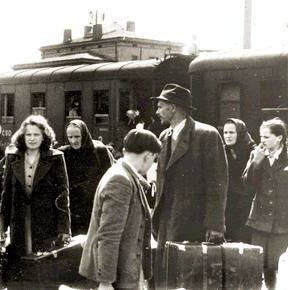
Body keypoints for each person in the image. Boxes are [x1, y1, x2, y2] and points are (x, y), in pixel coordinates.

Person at [151, 84, 228, 288]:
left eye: (160, 106)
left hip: (195, 223)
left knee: (190, 279)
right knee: (166, 276)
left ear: (173, 107)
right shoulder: (164, 137)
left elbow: (217, 184)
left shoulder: (206, 135)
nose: (157, 111)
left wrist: (215, 226)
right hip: (167, 223)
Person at [79, 129, 161, 290]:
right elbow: (109, 235)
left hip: (123, 272)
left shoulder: (122, 175)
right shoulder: (121, 180)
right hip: (118, 277)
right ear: (148, 156)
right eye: (154, 159)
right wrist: (105, 281)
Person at [0, 115, 71, 284]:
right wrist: (3, 225)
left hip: (46, 221)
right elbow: (6, 193)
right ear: (22, 137)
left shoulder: (55, 157)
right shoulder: (12, 157)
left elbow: (63, 195)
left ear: (44, 136)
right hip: (19, 220)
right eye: (28, 135)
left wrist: (64, 228)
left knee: (44, 269)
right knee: (20, 266)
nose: (32, 138)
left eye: (36, 135)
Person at [243, 118, 288, 290]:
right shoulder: (257, 154)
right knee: (258, 263)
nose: (262, 140)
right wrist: (256, 161)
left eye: (266, 136)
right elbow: (247, 185)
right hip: (260, 219)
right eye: (261, 136)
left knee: (273, 265)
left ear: (279, 138)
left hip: (282, 222)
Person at [58, 119, 114, 235]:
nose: (74, 141)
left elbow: (110, 179)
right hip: (73, 211)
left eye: (77, 137)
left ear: (84, 134)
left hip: (95, 208)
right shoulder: (64, 153)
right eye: (70, 137)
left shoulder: (99, 151)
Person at [223, 118, 256, 243]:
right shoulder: (222, 150)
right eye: (225, 133)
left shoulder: (252, 151)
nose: (228, 136)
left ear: (240, 133)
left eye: (232, 132)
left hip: (246, 201)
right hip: (229, 202)